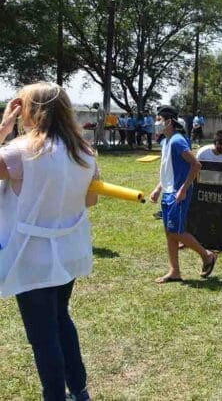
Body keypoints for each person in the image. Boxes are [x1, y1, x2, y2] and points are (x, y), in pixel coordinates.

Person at [0, 83, 98, 401]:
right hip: (67, 250)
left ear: (28, 110)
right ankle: (78, 388)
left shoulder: (20, 150)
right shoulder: (84, 152)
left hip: (31, 254)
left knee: (43, 333)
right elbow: (92, 200)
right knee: (60, 318)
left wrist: (3, 127)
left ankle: (55, 395)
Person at [149, 105, 218, 283]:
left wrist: (183, 189)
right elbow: (167, 170)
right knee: (169, 232)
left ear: (169, 121)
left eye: (159, 119)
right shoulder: (165, 141)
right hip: (168, 192)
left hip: (178, 193)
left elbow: (196, 165)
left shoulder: (177, 141)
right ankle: (175, 271)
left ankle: (207, 255)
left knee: (176, 231)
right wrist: (158, 188)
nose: (157, 122)